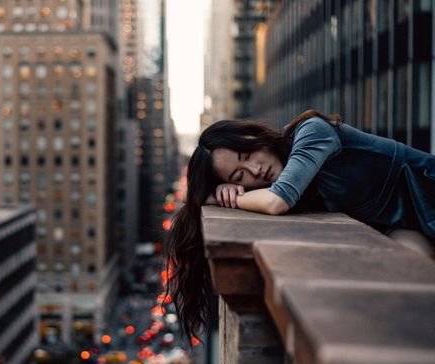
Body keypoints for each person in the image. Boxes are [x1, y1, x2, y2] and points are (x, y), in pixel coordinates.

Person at [164, 109, 435, 342]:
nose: (255, 171)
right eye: (239, 176)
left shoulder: (312, 131)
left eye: (247, 154)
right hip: (405, 224)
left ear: (253, 135)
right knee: (411, 273)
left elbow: (277, 201)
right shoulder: (299, 185)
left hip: (428, 195)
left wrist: (226, 198)